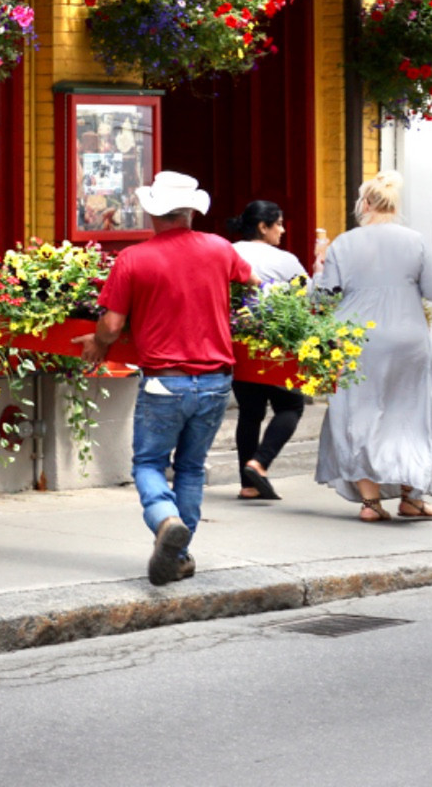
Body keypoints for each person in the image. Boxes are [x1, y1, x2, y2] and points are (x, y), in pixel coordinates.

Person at [82, 171, 256, 585]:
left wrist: (100, 343)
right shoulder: (219, 249)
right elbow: (252, 280)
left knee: (149, 462)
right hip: (215, 379)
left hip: (164, 380)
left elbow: (111, 325)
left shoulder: (133, 259)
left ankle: (164, 521)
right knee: (192, 468)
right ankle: (181, 552)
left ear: (154, 213)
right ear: (193, 212)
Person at [312, 171, 432, 522]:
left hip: (356, 339)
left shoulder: (344, 244)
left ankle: (370, 504)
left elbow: (324, 296)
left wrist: (319, 269)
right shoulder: (416, 241)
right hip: (407, 337)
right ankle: (412, 498)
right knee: (410, 417)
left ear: (364, 204)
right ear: (394, 205)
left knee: (358, 414)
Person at [224, 200, 308, 501]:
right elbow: (308, 298)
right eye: (279, 224)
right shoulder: (284, 260)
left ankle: (247, 485)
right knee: (291, 405)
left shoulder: (228, 252)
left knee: (250, 412)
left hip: (237, 341)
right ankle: (259, 463)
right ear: (263, 226)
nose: (283, 230)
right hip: (274, 342)